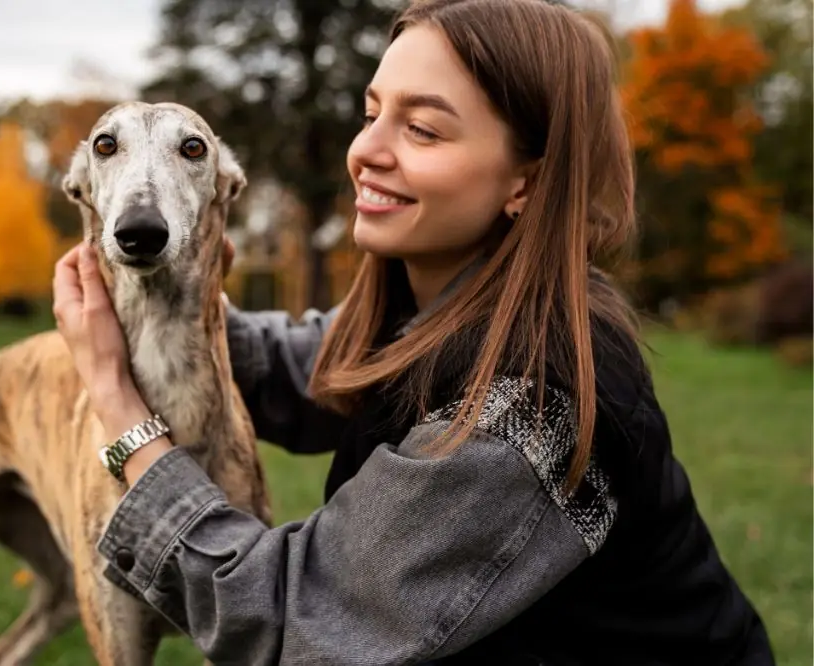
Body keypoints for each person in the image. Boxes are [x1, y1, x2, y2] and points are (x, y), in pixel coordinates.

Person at [52, 0, 775, 663]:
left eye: (422, 128)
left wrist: (119, 403)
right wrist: (179, 300)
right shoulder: (444, 302)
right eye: (372, 113)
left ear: (526, 181)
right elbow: (303, 367)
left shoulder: (527, 404)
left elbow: (293, 622)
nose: (366, 151)